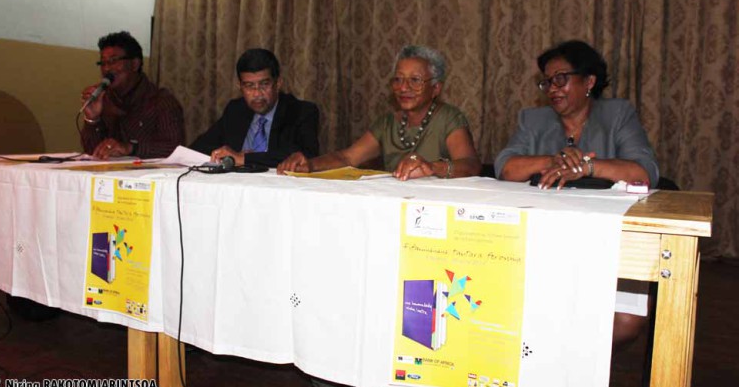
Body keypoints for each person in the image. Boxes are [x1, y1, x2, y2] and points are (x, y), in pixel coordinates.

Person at [494, 39, 659, 346]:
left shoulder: (618, 114)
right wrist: (552, 160)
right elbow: (506, 167)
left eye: (561, 79)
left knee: (625, 321)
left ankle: (571, 359)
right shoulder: (533, 119)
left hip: (606, 237)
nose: (552, 88)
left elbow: (644, 172)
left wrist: (587, 167)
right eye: (547, 82)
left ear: (589, 81)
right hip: (546, 239)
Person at [278, 45, 481, 180]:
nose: (404, 88)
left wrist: (432, 167)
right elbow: (348, 158)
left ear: (436, 88)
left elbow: (471, 165)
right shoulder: (387, 123)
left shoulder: (449, 118)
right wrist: (309, 165)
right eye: (398, 79)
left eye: (415, 80)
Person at [189, 48, 320, 167]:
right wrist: (225, 154)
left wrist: (243, 158)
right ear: (240, 86)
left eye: (264, 84)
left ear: (278, 83)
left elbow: (307, 156)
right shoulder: (235, 110)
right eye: (249, 86)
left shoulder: (301, 112)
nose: (257, 94)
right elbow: (198, 148)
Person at [80, 31, 184, 159]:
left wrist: (130, 148)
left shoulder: (161, 101)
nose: (107, 69)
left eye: (113, 61)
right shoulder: (104, 100)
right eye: (103, 63)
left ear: (135, 64)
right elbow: (93, 152)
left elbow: (175, 149)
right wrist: (92, 119)